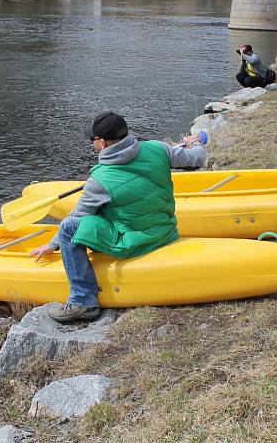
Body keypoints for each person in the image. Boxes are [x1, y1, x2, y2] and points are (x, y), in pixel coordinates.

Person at [28, 111, 207, 323]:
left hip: (134, 241)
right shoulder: (159, 148)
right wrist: (194, 142)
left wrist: (52, 244)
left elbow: (79, 214)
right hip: (166, 231)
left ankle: (82, 301)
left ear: (102, 143)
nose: (92, 144)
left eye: (92, 140)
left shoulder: (99, 180)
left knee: (68, 227)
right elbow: (197, 159)